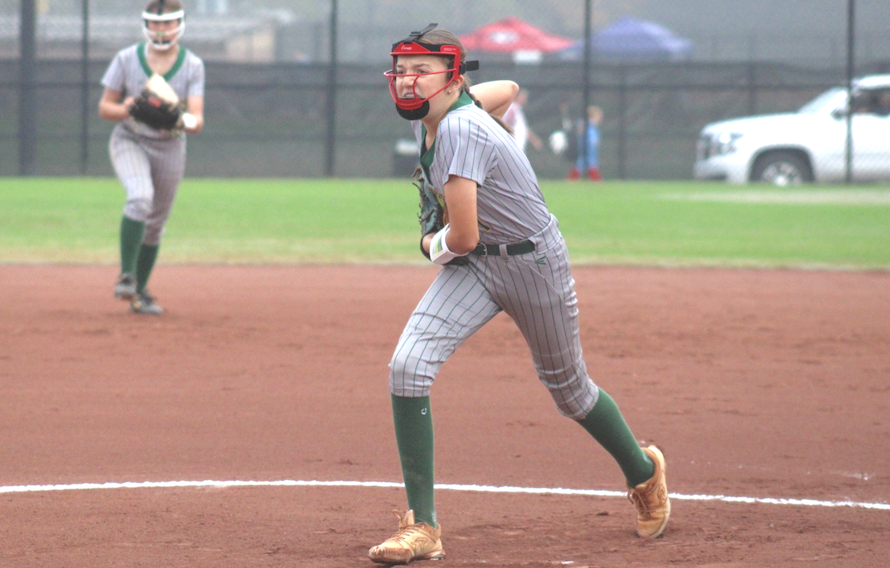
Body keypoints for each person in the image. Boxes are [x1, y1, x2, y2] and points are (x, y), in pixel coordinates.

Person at [369, 24, 670, 565]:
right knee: (407, 367)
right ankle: (423, 527)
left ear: (452, 77)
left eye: (422, 71)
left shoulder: (458, 129)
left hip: (532, 264)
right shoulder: (442, 111)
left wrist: (425, 242)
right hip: (478, 269)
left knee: (571, 393)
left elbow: (461, 237)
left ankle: (644, 472)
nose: (409, 82)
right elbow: (505, 88)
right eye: (402, 69)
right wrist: (477, 102)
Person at [98, 0, 205, 315]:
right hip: (130, 139)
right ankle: (126, 275)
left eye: (168, 23)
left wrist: (177, 118)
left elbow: (197, 121)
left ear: (179, 24)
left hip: (170, 145)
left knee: (156, 223)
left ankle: (139, 294)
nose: (162, 29)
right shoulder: (126, 59)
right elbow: (106, 108)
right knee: (140, 198)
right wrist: (129, 108)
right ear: (146, 24)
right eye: (156, 23)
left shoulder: (193, 65)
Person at [502, 88, 544, 154]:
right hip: (512, 147)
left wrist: (534, 140)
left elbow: (523, 129)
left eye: (526, 97)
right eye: (523, 97)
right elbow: (506, 122)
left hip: (519, 149)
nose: (525, 99)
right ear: (517, 97)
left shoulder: (518, 110)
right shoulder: (512, 107)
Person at [568, 105, 603, 182]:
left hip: (592, 149)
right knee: (589, 163)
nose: (600, 119)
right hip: (586, 148)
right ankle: (596, 180)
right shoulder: (585, 123)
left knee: (585, 163)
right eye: (599, 116)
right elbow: (579, 129)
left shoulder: (593, 126)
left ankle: (571, 180)